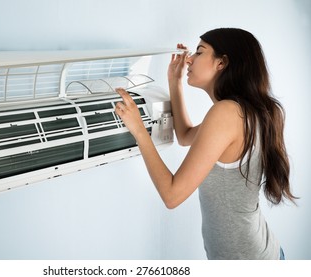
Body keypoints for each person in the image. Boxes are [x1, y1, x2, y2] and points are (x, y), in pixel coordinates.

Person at [114, 28, 297, 260]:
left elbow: (172, 195)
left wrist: (139, 130)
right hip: (265, 252)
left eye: (199, 52)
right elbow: (186, 136)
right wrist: (175, 82)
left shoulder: (227, 113)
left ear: (222, 63)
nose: (189, 58)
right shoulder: (248, 110)